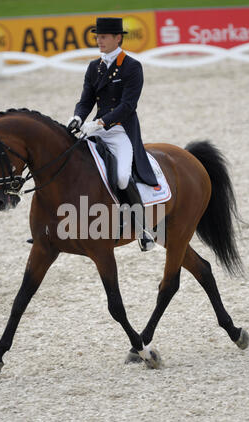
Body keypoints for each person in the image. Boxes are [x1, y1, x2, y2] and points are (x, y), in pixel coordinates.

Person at [67, 17, 158, 251]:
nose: (99, 41)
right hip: (95, 130)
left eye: (104, 37)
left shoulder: (131, 67)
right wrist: (78, 117)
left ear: (118, 38)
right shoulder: (93, 67)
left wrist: (99, 122)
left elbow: (128, 106)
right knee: (71, 165)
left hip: (120, 132)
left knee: (121, 177)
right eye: (97, 37)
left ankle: (142, 229)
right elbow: (86, 100)